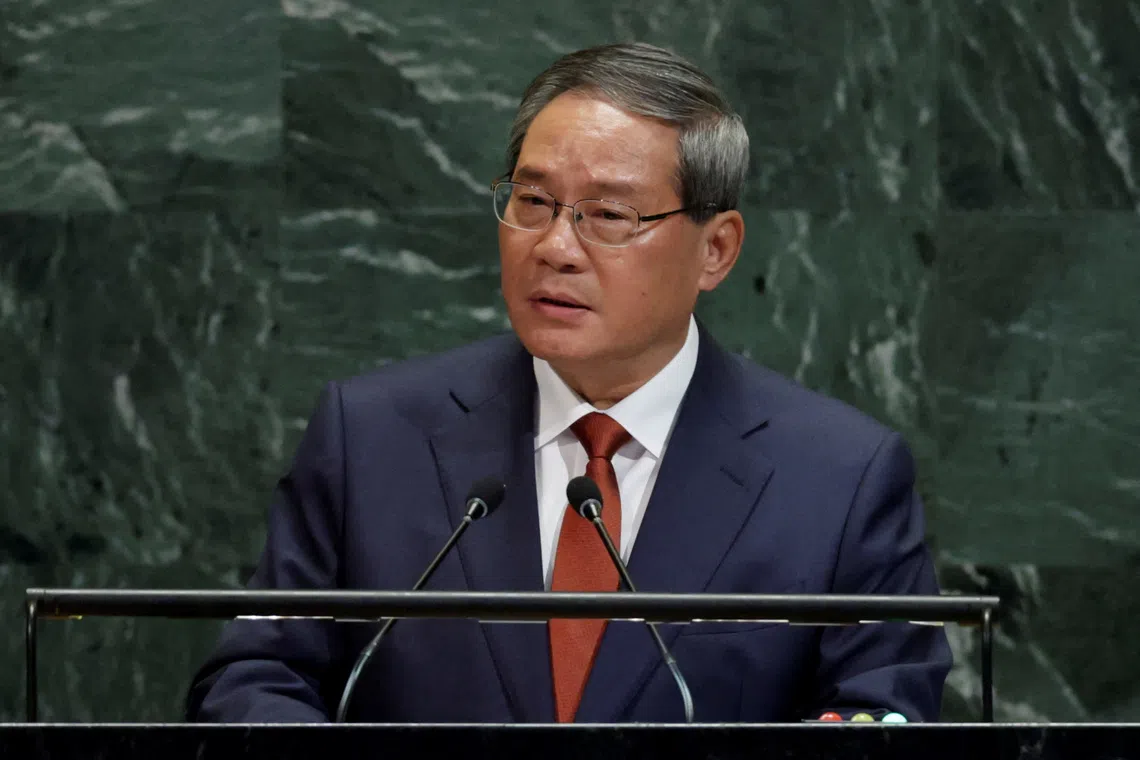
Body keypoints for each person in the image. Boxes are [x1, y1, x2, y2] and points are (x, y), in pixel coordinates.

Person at [186, 41, 951, 724]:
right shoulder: (373, 435)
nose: (555, 247)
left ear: (716, 250)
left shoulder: (840, 477)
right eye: (533, 202)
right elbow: (258, 675)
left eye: (608, 215)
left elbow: (883, 705)